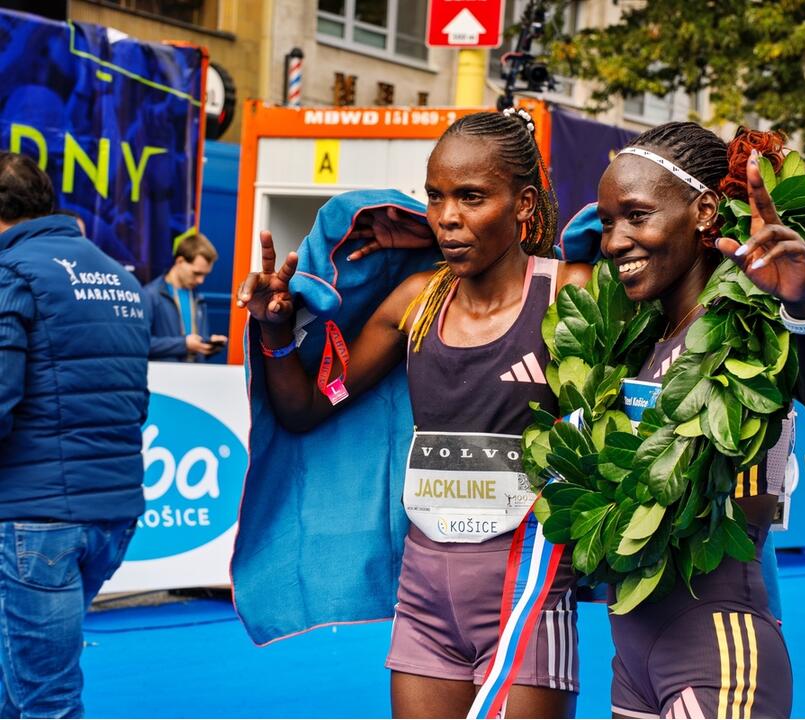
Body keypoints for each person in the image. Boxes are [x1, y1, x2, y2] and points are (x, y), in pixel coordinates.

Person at [237, 110, 593, 718]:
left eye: (472, 197)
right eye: (436, 197)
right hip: (425, 593)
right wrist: (273, 333)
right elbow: (305, 411)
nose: (448, 217)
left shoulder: (571, 293)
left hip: (529, 591)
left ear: (524, 203)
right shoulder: (415, 302)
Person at [596, 124, 805, 719]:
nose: (615, 241)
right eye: (610, 222)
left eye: (636, 215)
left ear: (704, 211)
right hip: (632, 652)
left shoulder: (751, 323)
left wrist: (802, 303)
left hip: (718, 648)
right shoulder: (636, 339)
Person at [0, 152, 150, 718]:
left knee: (45, 699)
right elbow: (135, 400)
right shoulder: (115, 275)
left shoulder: (12, 272)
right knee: (22, 687)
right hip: (110, 512)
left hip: (36, 518)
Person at [143, 233, 227, 361]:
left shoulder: (198, 298)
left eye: (205, 275)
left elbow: (193, 341)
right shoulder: (150, 295)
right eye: (196, 273)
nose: (201, 281)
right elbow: (141, 343)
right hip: (163, 377)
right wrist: (184, 345)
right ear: (180, 261)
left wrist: (208, 343)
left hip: (194, 376)